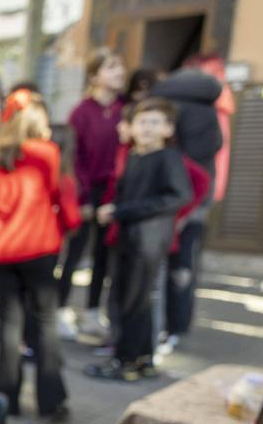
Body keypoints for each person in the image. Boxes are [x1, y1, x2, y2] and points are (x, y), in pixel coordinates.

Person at [0, 90, 78, 420]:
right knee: (46, 321)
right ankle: (52, 400)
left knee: (9, 321)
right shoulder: (47, 152)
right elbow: (57, 192)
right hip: (40, 246)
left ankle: (8, 397)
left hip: (3, 248)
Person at [88, 98, 192, 381]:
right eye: (142, 122)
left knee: (133, 301)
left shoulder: (168, 158)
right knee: (130, 299)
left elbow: (180, 196)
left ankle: (125, 362)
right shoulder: (135, 157)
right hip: (127, 239)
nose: (147, 128)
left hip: (148, 240)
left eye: (155, 122)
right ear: (131, 127)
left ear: (168, 129)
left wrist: (122, 210)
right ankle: (143, 358)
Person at [150, 65, 223, 344]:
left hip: (177, 203)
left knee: (167, 268)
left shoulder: (173, 106)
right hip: (196, 203)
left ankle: (166, 327)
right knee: (184, 267)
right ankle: (177, 326)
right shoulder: (208, 112)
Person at [58, 48, 127, 341]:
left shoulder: (126, 111)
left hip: (115, 194)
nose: (119, 72)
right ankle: (60, 310)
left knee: (103, 256)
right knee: (75, 254)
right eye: (111, 67)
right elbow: (74, 158)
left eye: (120, 67)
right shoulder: (81, 112)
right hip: (86, 193)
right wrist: (83, 198)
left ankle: (91, 312)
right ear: (94, 75)